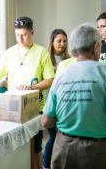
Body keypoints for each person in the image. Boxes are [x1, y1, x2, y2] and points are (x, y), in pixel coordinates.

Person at [0, 16, 55, 169]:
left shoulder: (41, 52)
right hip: (13, 107)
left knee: (35, 145)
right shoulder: (9, 53)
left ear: (32, 32)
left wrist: (31, 87)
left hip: (34, 107)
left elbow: (50, 79)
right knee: (16, 148)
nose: (20, 39)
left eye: (24, 35)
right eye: (17, 35)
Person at [41, 23, 106, 169]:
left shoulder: (60, 76)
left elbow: (45, 121)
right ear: (95, 47)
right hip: (99, 151)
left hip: (64, 149)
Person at [43, 29, 70, 169]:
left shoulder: (69, 59)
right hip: (49, 103)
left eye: (64, 41)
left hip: (64, 103)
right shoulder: (46, 59)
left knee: (62, 138)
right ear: (52, 42)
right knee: (53, 138)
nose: (62, 44)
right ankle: (46, 164)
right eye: (58, 41)